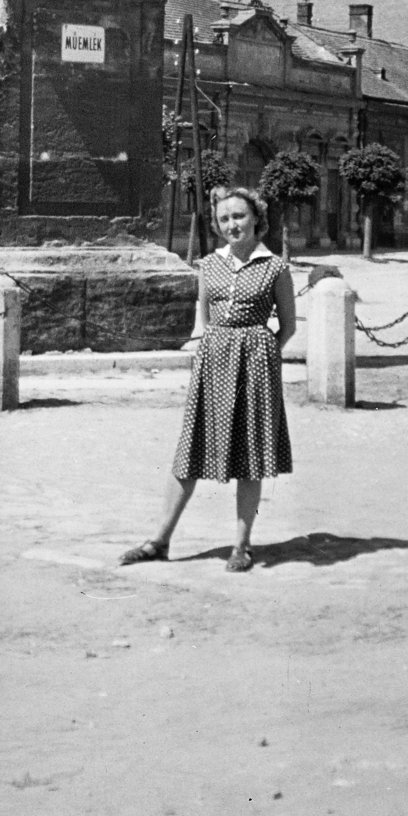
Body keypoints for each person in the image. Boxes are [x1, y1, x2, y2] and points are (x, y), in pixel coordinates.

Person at [120, 186, 295, 573]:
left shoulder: (275, 268)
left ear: (256, 219)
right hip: (213, 364)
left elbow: (288, 326)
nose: (232, 224)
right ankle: (159, 540)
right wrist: (216, 348)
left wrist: (260, 352)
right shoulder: (208, 265)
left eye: (239, 216)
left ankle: (242, 546)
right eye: (224, 219)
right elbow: (204, 318)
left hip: (256, 366)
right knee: (191, 451)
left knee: (250, 456)